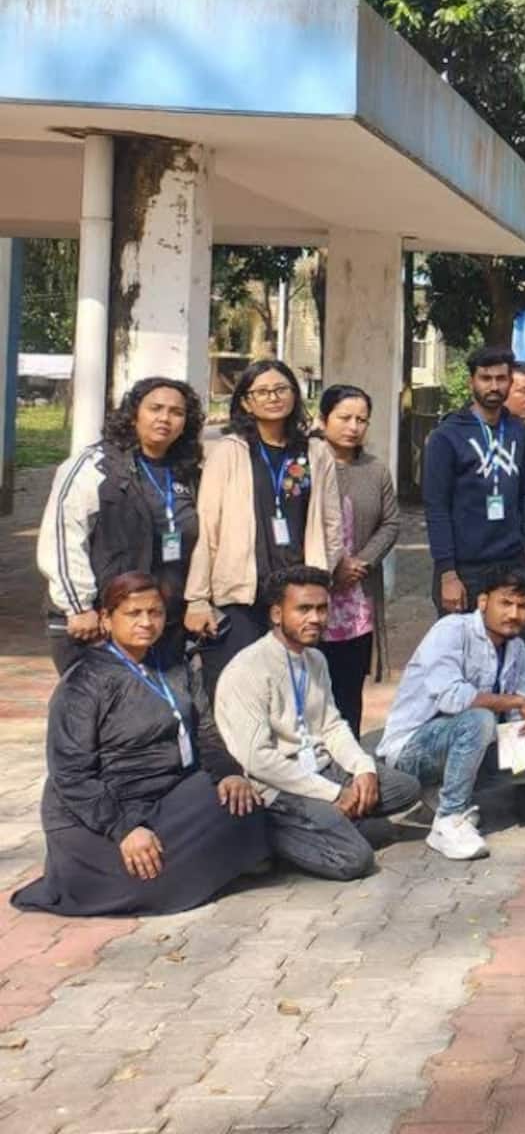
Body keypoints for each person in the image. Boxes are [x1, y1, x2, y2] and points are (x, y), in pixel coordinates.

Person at [12, 573, 268, 917]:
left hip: (165, 794)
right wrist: (125, 829)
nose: (146, 623)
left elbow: (205, 730)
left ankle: (195, 861)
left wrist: (227, 772)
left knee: (242, 799)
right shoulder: (85, 681)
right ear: (106, 618)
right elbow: (70, 773)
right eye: (133, 614)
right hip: (97, 812)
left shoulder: (173, 665)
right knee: (146, 876)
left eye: (155, 613)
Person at [213, 566, 422, 881]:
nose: (315, 618)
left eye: (322, 608)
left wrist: (362, 767)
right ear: (276, 614)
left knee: (405, 788)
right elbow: (257, 759)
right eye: (303, 609)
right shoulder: (249, 669)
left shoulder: (315, 659)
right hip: (276, 784)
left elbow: (332, 726)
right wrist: (334, 793)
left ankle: (331, 824)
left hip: (320, 769)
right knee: (354, 860)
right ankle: (275, 838)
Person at [377, 565, 525, 861]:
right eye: (505, 603)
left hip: (471, 742)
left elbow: (523, 713)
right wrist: (515, 703)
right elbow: (453, 699)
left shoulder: (516, 647)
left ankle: (445, 790)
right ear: (483, 602)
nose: (514, 614)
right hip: (412, 751)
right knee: (479, 718)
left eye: (523, 606)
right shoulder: (452, 630)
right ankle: (448, 818)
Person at [38, 376, 204, 676]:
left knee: (153, 712)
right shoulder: (94, 465)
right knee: (98, 712)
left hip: (160, 623)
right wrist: (79, 606)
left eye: (177, 412)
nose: (165, 418)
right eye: (155, 408)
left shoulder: (186, 472)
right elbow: (63, 536)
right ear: (134, 413)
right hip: (97, 623)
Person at [188, 359, 333, 702]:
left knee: (292, 691)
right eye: (262, 392)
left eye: (281, 389)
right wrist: (197, 598)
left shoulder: (315, 451)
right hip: (242, 593)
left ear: (295, 396)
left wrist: (322, 578)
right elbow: (207, 526)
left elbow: (330, 522)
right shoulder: (228, 451)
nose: (273, 398)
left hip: (297, 591)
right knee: (240, 693)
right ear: (245, 401)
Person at [312, 385, 401, 736]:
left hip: (357, 597)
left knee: (350, 686)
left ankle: (350, 760)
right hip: (317, 590)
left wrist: (361, 562)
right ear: (324, 418)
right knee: (312, 686)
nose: (353, 426)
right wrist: (332, 567)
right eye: (344, 418)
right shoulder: (304, 465)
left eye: (361, 420)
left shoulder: (375, 470)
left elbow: (391, 522)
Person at [423, 347, 525, 618]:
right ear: (471, 381)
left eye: (501, 378)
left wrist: (524, 544)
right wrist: (447, 572)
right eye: (486, 378)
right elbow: (436, 508)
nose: (494, 386)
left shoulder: (520, 432)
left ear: (510, 382)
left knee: (509, 646)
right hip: (464, 568)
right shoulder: (446, 437)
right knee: (461, 650)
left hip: (511, 562)